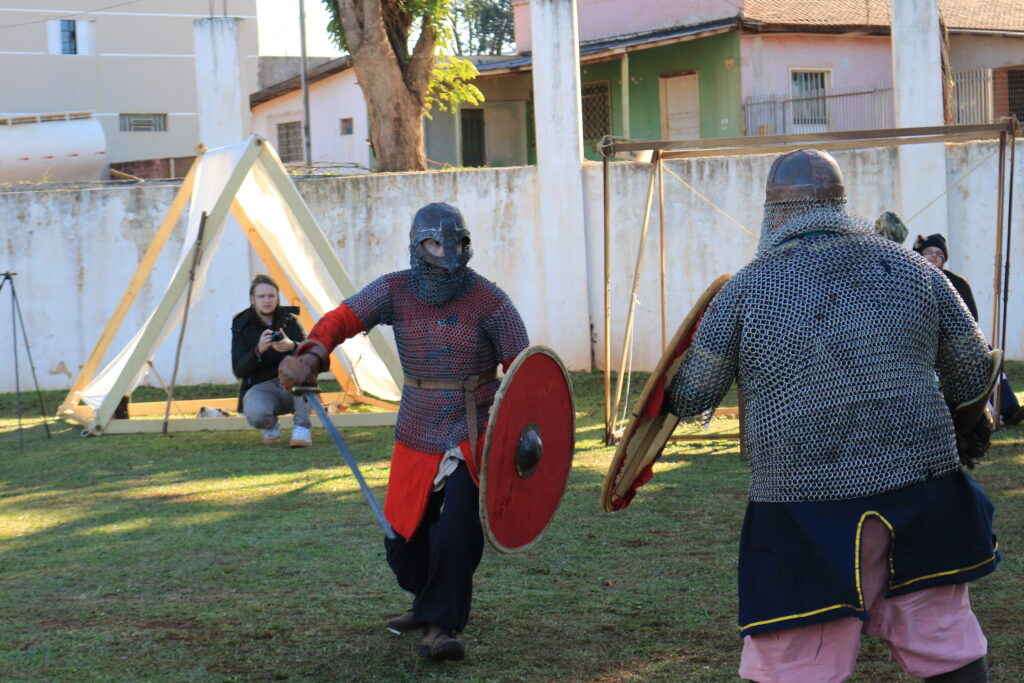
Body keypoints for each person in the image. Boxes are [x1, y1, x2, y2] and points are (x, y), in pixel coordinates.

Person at [666, 149, 999, 682]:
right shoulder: (915, 269)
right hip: (923, 485)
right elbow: (972, 374)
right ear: (840, 202)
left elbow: (692, 396)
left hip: (804, 501)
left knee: (798, 654)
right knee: (942, 637)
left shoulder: (748, 289)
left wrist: (673, 381)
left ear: (774, 211)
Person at [278, 202, 529, 661]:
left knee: (455, 528)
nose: (447, 254)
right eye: (435, 244)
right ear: (418, 248)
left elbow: (525, 375)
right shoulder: (397, 290)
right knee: (403, 536)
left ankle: (442, 625)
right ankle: (425, 602)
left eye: (455, 244)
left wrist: (522, 436)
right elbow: (342, 318)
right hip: (417, 427)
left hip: (472, 431)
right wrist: (312, 354)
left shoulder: (491, 302)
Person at [913, 233, 1024, 426]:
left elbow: (970, 317)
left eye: (938, 253)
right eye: (927, 252)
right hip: (920, 342)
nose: (933, 256)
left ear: (944, 259)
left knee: (986, 356)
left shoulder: (956, 283)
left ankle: (1008, 408)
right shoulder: (908, 279)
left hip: (955, 342)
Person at [231, 273, 313, 447]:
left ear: (277, 298)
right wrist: (258, 350)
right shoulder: (242, 325)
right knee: (256, 414)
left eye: (271, 296)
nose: (266, 301)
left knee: (305, 370)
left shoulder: (289, 321)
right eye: (261, 296)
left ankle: (302, 428)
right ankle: (270, 426)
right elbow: (238, 370)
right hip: (261, 386)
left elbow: (312, 354)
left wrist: (292, 346)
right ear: (252, 300)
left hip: (291, 383)